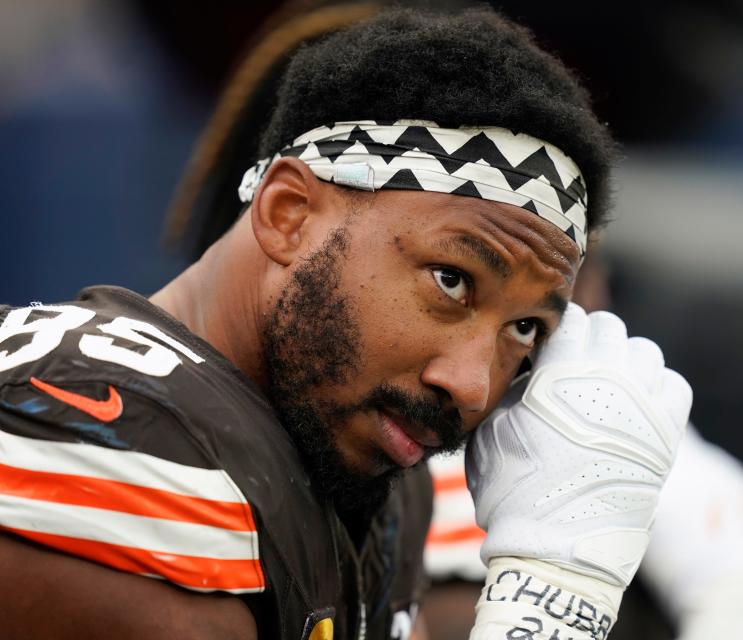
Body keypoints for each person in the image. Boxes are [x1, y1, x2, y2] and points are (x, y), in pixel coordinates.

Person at [0, 7, 692, 639]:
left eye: (525, 330)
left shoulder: (372, 476)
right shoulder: (112, 437)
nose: (472, 387)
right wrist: (554, 597)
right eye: (452, 281)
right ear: (288, 215)